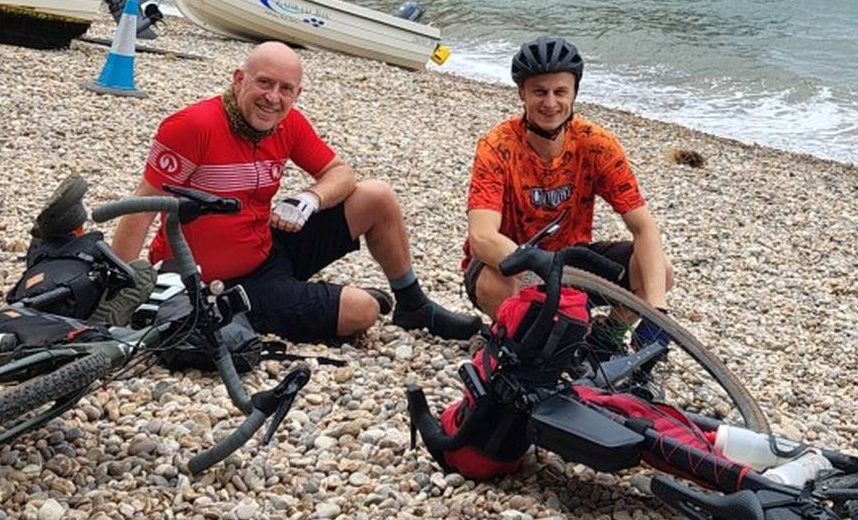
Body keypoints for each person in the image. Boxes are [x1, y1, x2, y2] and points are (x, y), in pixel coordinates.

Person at [110, 41, 478, 343]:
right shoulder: (192, 126)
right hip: (213, 282)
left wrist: (309, 199)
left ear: (297, 94)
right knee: (362, 311)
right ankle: (319, 299)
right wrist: (117, 292)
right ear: (239, 79)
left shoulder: (288, 124)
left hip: (267, 248)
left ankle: (413, 305)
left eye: (285, 89)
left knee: (376, 196)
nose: (273, 98)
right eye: (264, 83)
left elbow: (340, 173)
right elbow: (142, 206)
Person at [463, 36, 670, 351]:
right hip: (512, 265)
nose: (550, 103)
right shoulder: (497, 146)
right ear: (521, 93)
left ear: (574, 93)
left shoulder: (597, 145)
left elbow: (644, 227)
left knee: (659, 270)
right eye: (539, 92)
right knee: (506, 293)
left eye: (560, 92)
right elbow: (481, 237)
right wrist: (540, 274)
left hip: (573, 262)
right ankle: (511, 336)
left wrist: (657, 313)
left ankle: (607, 337)